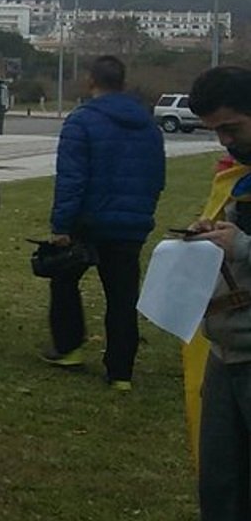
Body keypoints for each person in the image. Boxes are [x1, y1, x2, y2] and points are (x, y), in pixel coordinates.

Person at [161, 66, 251, 521]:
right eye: (216, 131)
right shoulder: (239, 177)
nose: (225, 141)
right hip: (227, 350)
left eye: (233, 127)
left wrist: (241, 245)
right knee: (221, 479)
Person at [45, 54, 165, 388]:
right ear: (124, 83)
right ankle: (120, 372)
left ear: (90, 82)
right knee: (123, 296)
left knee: (65, 279)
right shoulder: (148, 125)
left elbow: (72, 178)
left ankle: (68, 347)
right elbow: (157, 176)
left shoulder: (81, 121)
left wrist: (62, 225)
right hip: (130, 225)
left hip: (89, 220)